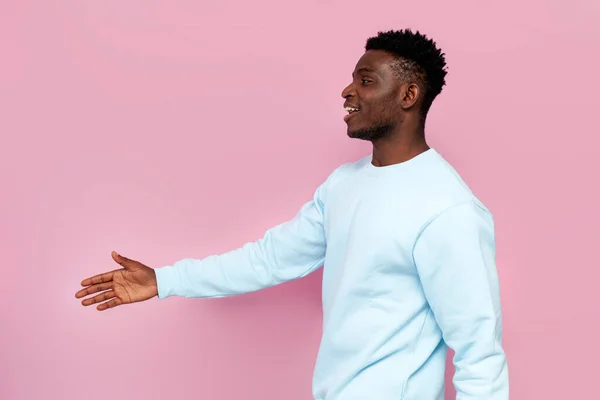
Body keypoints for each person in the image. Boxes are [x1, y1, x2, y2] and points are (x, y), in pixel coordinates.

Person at [75, 29, 509, 399]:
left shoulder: (448, 208)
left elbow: (480, 353)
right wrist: (165, 280)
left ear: (408, 95)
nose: (347, 90)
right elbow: (269, 259)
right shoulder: (344, 184)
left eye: (366, 80)